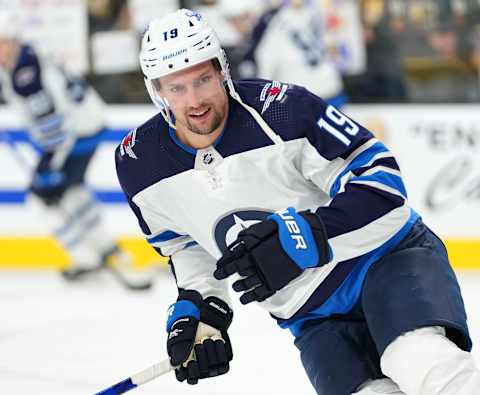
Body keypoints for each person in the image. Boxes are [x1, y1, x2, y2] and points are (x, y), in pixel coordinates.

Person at [115, 8, 480, 394]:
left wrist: (310, 233)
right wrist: (203, 309)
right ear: (157, 91)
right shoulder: (139, 165)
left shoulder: (284, 109)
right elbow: (187, 244)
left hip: (384, 262)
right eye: (177, 88)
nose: (194, 100)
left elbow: (384, 183)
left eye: (203, 80)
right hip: (309, 313)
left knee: (421, 361)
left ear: (222, 70)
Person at [0, 11, 151, 290]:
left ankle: (86, 259)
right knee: (73, 192)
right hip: (88, 128)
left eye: (3, 43)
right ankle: (109, 250)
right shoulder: (27, 57)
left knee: (41, 199)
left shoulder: (25, 75)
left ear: (13, 40)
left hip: (73, 137)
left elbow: (53, 125)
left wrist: (51, 165)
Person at [238, 0, 347, 108]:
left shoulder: (274, 20)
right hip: (328, 87)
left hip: (305, 94)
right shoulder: (311, 11)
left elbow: (265, 60)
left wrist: (261, 96)